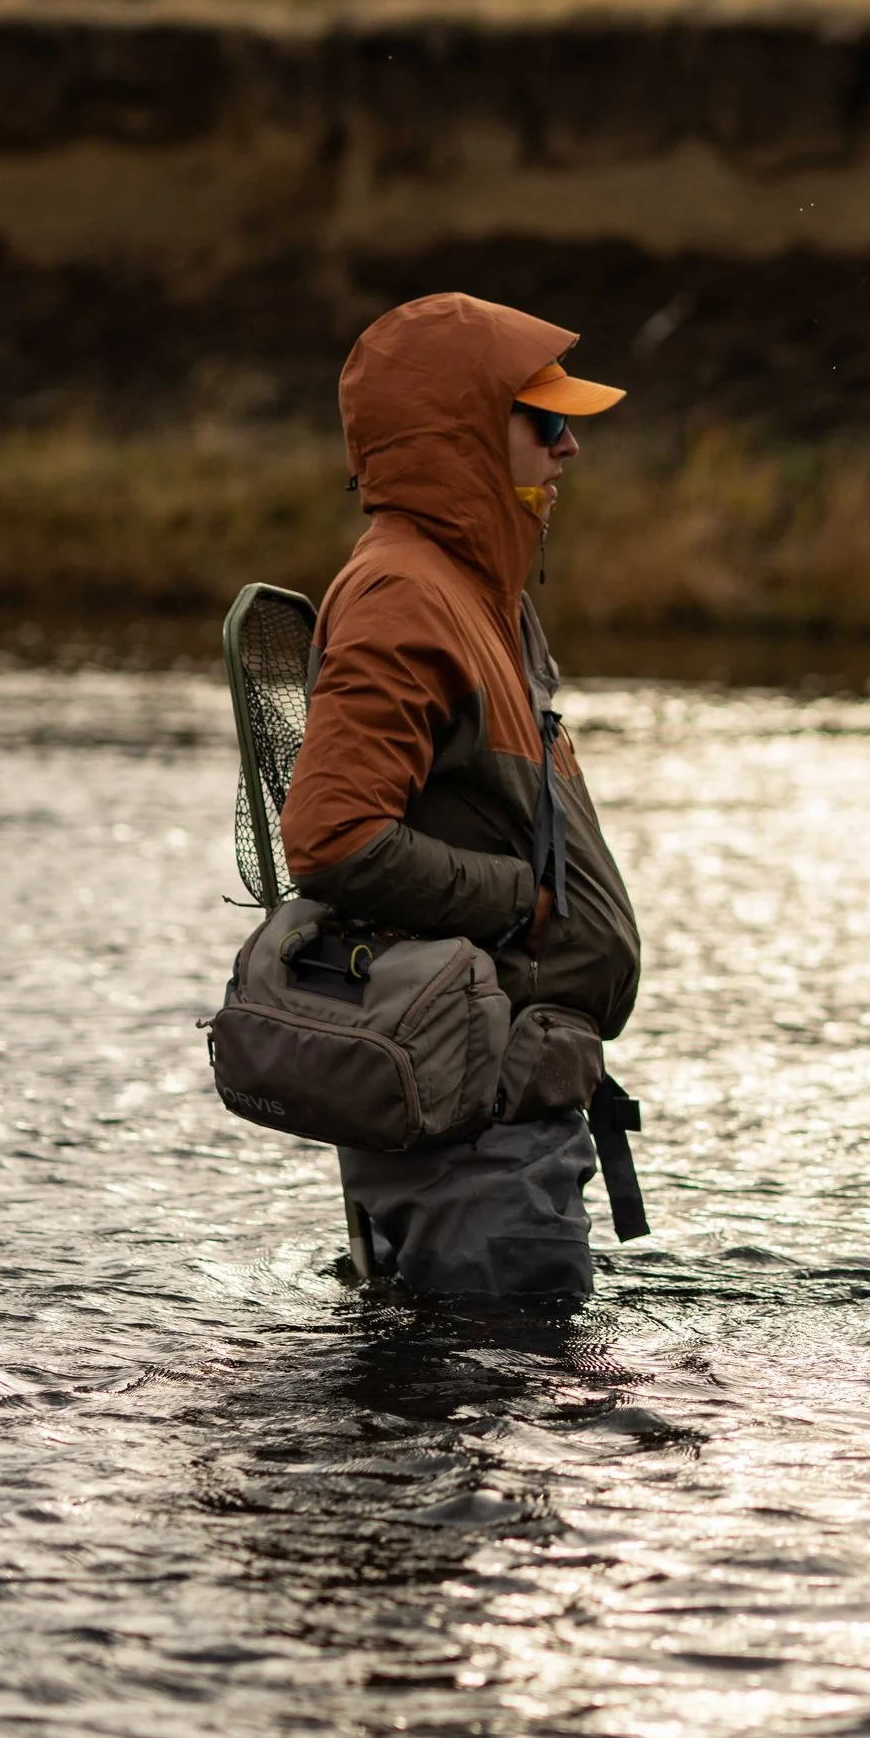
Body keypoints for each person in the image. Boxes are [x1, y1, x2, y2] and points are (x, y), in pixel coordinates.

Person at [280, 291, 641, 1307]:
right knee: (494, 1379)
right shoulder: (406, 595)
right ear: (467, 434)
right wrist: (523, 901)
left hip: (504, 1107)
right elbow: (332, 838)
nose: (569, 448)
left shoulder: (478, 594)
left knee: (491, 1386)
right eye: (547, 421)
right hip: (473, 1138)